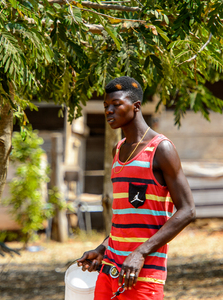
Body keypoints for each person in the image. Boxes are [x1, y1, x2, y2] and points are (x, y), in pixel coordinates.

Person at [77, 76, 196, 299]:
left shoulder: (161, 149)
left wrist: (140, 252)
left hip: (143, 274)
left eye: (116, 104)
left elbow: (188, 210)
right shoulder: (118, 150)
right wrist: (101, 250)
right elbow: (124, 218)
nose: (109, 111)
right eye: (106, 106)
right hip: (110, 270)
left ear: (136, 106)